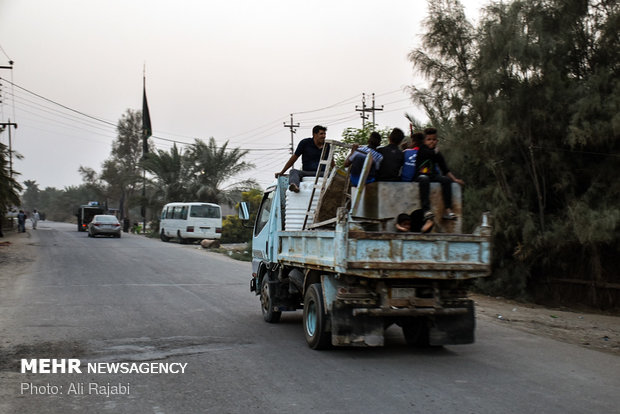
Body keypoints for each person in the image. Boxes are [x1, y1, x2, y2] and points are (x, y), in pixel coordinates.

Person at [414, 127, 464, 220]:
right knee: (424, 179)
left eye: (434, 140)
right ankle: (426, 210)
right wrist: (435, 151)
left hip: (432, 175)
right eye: (429, 140)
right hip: (420, 175)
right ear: (424, 141)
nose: (432, 142)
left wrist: (455, 179)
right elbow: (429, 154)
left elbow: (445, 169)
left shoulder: (437, 153)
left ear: (437, 141)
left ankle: (448, 209)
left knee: (446, 180)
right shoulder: (422, 149)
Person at [275, 125, 329, 193]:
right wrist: (282, 172)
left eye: (325, 134)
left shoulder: (327, 145)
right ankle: (295, 186)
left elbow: (332, 162)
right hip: (307, 172)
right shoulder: (305, 143)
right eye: (321, 134)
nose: (324, 136)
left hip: (322, 173)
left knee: (333, 174)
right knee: (293, 171)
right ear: (314, 134)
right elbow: (293, 159)